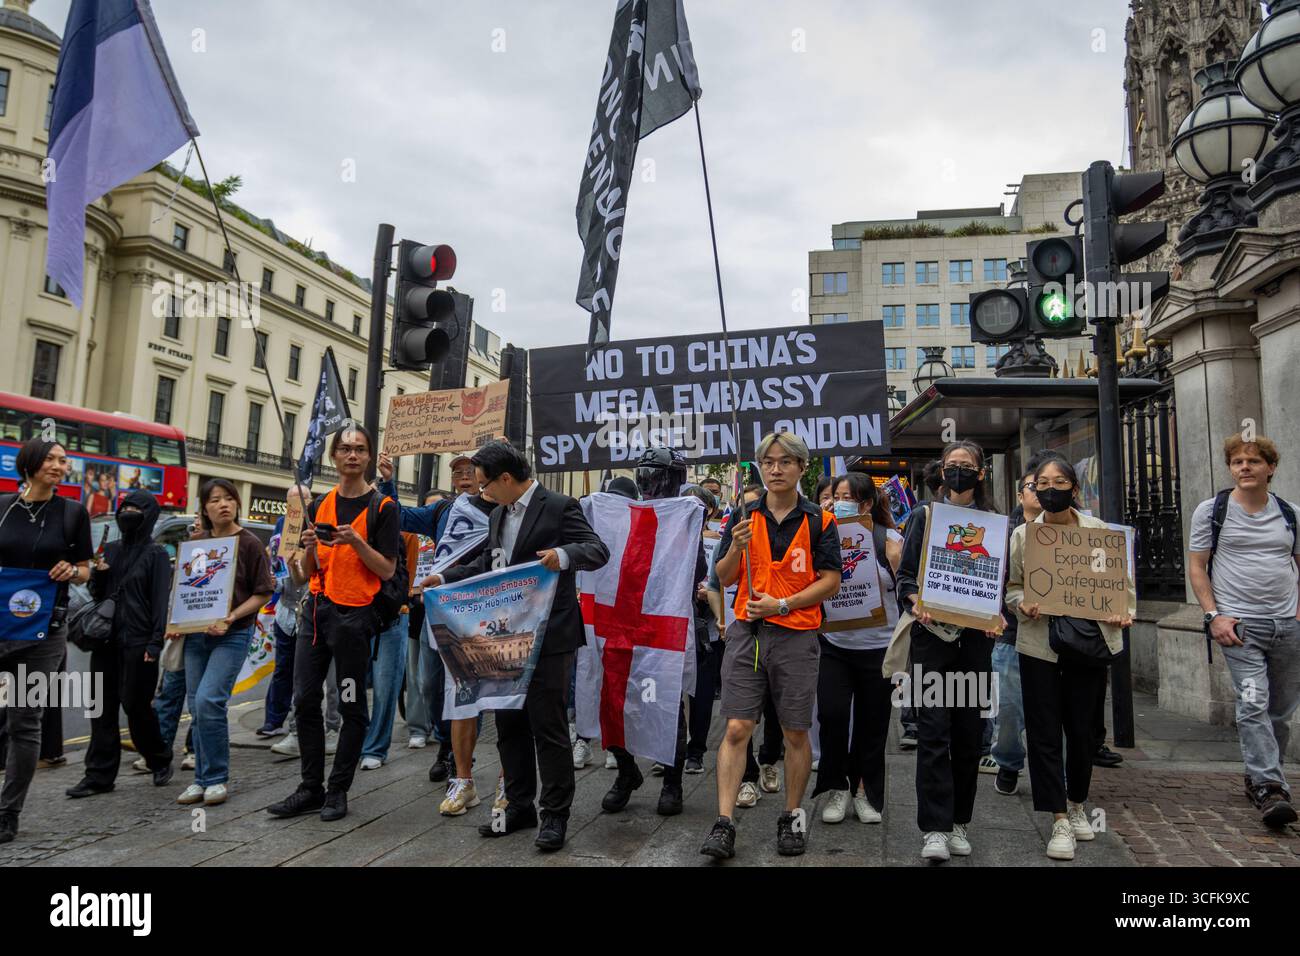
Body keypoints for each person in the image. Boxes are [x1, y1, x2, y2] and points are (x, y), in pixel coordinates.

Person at [421, 440, 609, 850]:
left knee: (549, 727)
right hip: (504, 637)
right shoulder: (496, 517)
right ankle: (519, 806)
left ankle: (555, 814)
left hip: (549, 636)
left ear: (507, 479)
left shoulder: (559, 505)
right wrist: (447, 578)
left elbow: (596, 550)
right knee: (508, 726)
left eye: (486, 485)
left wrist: (561, 555)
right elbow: (488, 564)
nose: (481, 493)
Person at [700, 433, 842, 860]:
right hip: (747, 633)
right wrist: (735, 549)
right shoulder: (742, 518)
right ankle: (724, 822)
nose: (775, 469)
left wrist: (782, 603)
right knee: (737, 727)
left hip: (797, 635)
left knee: (795, 731)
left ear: (802, 467)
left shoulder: (821, 520)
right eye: (768, 462)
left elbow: (830, 581)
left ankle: (791, 815)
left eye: (785, 462)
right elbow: (723, 579)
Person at [267, 425, 399, 822]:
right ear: (334, 457)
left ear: (369, 457)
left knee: (351, 702)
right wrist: (308, 551)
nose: (352, 455)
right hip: (316, 614)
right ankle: (310, 787)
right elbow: (308, 572)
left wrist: (356, 543)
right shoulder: (321, 504)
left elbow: (388, 570)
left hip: (354, 620)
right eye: (345, 449)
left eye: (359, 449)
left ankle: (338, 789)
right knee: (305, 698)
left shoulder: (383, 508)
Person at [1007, 457, 1134, 860]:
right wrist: (1021, 604)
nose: (1050, 488)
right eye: (1041, 482)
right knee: (1044, 733)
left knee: (1083, 733)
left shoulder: (1100, 533)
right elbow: (1012, 586)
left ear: (1074, 488)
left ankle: (1078, 803)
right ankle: (1058, 818)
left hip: (1088, 644)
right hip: (1039, 646)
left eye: (1059, 481)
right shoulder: (1025, 536)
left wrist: (1121, 612)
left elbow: (1121, 586)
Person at [896, 441, 1003, 863]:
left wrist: (1000, 613)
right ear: (941, 472)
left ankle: (960, 821)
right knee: (933, 735)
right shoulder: (924, 516)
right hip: (931, 641)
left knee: (968, 736)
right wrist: (914, 599)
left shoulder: (995, 523)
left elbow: (1003, 582)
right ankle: (935, 828)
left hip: (975, 643)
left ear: (980, 474)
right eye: (951, 465)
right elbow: (905, 576)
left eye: (966, 465)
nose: (957, 471)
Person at [1188, 432, 1300, 827]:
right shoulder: (1212, 510)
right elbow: (1198, 566)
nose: (1245, 468)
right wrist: (1213, 615)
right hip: (1240, 628)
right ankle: (1271, 789)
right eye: (1237, 462)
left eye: (1253, 461)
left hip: (1288, 627)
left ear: (1271, 468)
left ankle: (1259, 776)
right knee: (1253, 702)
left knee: (1280, 712)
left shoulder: (1290, 513)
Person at [376, 453, 497, 814]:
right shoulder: (442, 512)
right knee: (430, 685)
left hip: (481, 611)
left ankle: (461, 762)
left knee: (468, 688)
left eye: (469, 471)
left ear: (483, 476)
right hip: (440, 610)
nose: (463, 476)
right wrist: (387, 481)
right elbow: (394, 516)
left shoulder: (500, 510)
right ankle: (446, 743)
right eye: (456, 472)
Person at [599, 449, 706, 817]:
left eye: (656, 473)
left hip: (662, 628)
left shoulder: (685, 517)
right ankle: (626, 772)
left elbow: (696, 570)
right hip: (619, 624)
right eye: (646, 473)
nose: (650, 480)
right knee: (612, 703)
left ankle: (673, 783)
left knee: (665, 707)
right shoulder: (618, 515)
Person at [0, 439, 93, 844]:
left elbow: (87, 570)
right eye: (51, 459)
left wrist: (71, 570)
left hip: (44, 632)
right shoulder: (3, 507)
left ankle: (8, 812)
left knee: (24, 720)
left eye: (62, 460)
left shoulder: (73, 513)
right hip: (1, 623)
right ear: (30, 464)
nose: (59, 465)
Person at [172, 479, 274, 807]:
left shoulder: (249, 544)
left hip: (233, 634)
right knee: (197, 708)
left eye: (229, 498)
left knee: (209, 700)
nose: (223, 504)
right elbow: (185, 591)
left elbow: (263, 592)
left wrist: (230, 617)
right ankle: (200, 779)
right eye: (215, 500)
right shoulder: (195, 543)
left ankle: (216, 777)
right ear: (204, 508)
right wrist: (174, 623)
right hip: (195, 635)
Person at [67, 491, 173, 797]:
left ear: (148, 515)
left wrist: (155, 644)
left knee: (136, 707)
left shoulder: (157, 555)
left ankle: (159, 757)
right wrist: (99, 575)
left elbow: (159, 602)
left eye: (135, 509)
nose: (127, 513)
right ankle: (98, 775)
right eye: (124, 507)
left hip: (138, 643)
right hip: (105, 641)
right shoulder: (110, 550)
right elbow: (99, 595)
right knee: (101, 709)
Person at [813, 472, 902, 825]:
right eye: (836, 495)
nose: (839, 501)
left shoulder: (890, 539)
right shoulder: (822, 535)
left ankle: (864, 790)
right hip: (834, 645)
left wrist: (896, 562)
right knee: (832, 716)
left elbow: (909, 589)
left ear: (866, 504)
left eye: (848, 496)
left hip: (880, 648)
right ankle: (836, 787)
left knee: (873, 724)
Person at [991, 455, 1059, 797]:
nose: (1041, 491)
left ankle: (1054, 775)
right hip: (1013, 636)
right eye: (1035, 485)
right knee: (1008, 711)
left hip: (1060, 637)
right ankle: (1008, 761)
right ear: (1021, 495)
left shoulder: (1075, 532)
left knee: (1053, 712)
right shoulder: (1002, 534)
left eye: (1052, 484)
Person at [358, 529, 419, 770]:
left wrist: (407, 598)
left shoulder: (399, 526)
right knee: (352, 686)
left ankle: (375, 747)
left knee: (386, 685)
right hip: (355, 615)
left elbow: (407, 570)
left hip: (392, 612)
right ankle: (357, 739)